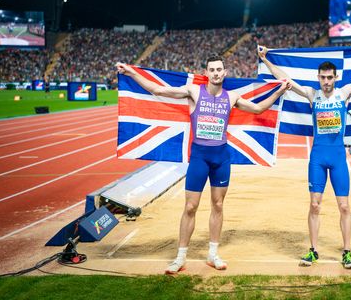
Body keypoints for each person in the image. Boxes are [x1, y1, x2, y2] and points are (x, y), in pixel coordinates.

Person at [116, 55, 290, 274]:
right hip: (199, 157)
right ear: (206, 73)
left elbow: (257, 109)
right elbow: (159, 91)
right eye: (212, 70)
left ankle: (213, 254)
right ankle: (180, 257)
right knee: (190, 207)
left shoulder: (232, 97)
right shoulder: (195, 92)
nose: (216, 73)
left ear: (225, 73)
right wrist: (131, 72)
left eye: (219, 70)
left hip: (221, 158)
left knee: (218, 205)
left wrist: (279, 91)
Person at [258, 41, 351, 269]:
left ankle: (347, 252)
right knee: (314, 205)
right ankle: (313, 251)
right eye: (323, 77)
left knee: (344, 206)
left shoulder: (344, 94)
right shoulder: (311, 94)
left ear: (336, 78)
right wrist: (265, 59)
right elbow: (285, 78)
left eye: (330, 77)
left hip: (337, 159)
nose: (326, 81)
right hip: (317, 157)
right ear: (318, 78)